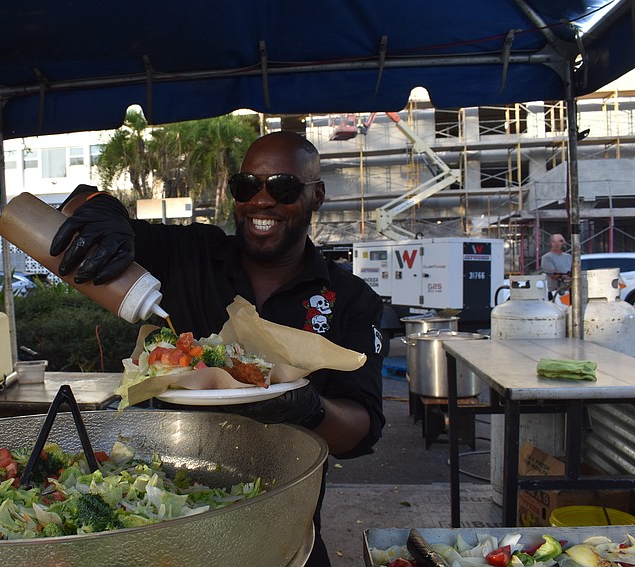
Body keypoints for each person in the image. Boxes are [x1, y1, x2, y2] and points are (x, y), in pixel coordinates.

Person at [50, 131, 386, 566]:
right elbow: (73, 207)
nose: (261, 200)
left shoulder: (351, 299)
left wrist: (307, 408)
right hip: (170, 528)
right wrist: (101, 206)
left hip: (286, 531)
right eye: (247, 186)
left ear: (316, 195)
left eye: (282, 187)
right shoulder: (189, 254)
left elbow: (361, 428)